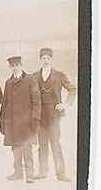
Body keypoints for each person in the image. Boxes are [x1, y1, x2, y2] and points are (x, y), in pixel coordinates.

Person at [32, 47, 77, 181]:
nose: (45, 60)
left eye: (48, 58)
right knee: (42, 146)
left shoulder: (59, 75)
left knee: (56, 145)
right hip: (40, 117)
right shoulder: (34, 76)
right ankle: (42, 172)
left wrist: (65, 104)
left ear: (51, 59)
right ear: (40, 60)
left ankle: (61, 174)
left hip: (54, 117)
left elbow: (72, 89)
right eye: (43, 58)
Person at [0, 56, 41, 184]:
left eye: (17, 65)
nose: (15, 67)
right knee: (15, 148)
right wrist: (2, 121)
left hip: (27, 122)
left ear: (21, 65)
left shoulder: (30, 79)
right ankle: (18, 173)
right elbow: (5, 103)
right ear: (10, 67)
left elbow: (37, 101)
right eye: (12, 66)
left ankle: (29, 174)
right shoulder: (8, 82)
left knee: (27, 148)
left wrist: (35, 118)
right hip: (12, 122)